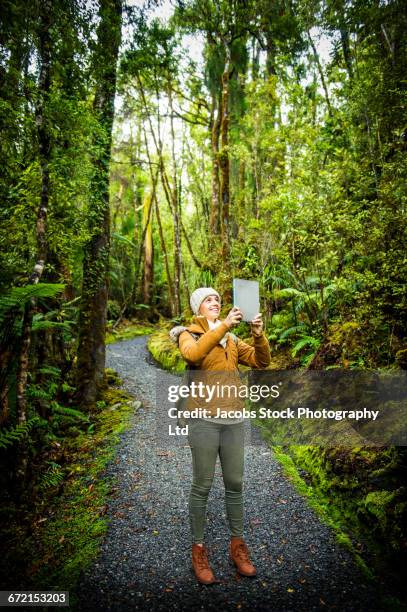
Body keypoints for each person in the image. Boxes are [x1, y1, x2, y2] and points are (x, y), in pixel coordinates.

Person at [169, 287, 271, 585]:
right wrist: (225, 325)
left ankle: (237, 546)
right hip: (203, 420)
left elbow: (261, 362)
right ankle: (198, 549)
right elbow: (193, 355)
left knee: (235, 483)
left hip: (234, 419)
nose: (214, 302)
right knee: (202, 484)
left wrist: (258, 335)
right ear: (198, 309)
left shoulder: (232, 339)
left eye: (217, 299)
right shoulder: (189, 334)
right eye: (208, 300)